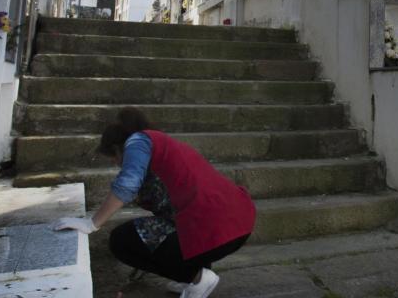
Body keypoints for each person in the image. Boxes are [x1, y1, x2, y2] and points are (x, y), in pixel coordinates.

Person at [53, 107, 255, 298]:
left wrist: (91, 223)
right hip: (239, 223)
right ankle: (192, 278)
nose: (115, 163)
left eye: (113, 158)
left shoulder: (137, 141)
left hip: (216, 227)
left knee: (122, 239)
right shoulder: (165, 148)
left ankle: (198, 278)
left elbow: (127, 184)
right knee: (165, 230)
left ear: (117, 148)